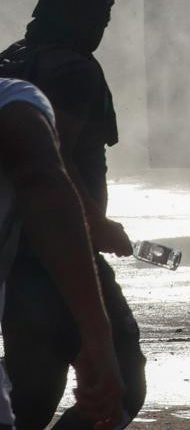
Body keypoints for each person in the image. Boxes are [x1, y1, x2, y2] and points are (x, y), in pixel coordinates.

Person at [0, 0, 147, 428]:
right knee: (119, 388)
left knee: (30, 401)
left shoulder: (12, 59)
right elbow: (52, 162)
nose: (106, 20)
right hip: (59, 253)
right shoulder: (74, 70)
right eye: (103, 8)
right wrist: (96, 224)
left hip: (15, 257)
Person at [0, 78, 125, 430]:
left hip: (29, 276)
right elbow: (47, 190)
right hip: (40, 271)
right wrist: (98, 340)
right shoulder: (15, 105)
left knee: (35, 386)